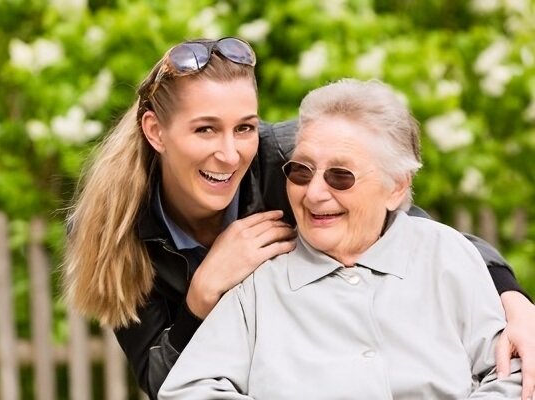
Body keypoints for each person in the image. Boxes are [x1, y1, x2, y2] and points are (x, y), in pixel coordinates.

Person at [62, 38, 535, 400]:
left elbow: (408, 228)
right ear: (155, 131)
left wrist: (513, 300)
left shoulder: (291, 154)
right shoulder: (111, 228)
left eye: (244, 127)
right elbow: (166, 382)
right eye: (205, 128)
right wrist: (202, 296)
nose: (229, 154)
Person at [158, 78, 523, 399]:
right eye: (301, 171)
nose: (313, 193)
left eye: (340, 176)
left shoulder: (446, 256)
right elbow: (189, 389)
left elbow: (512, 375)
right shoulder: (257, 280)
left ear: (396, 187)